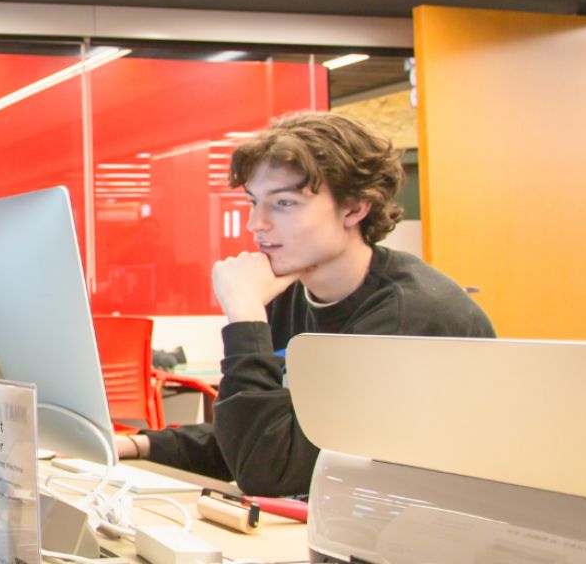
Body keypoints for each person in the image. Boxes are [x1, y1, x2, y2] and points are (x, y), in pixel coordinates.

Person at [116, 112, 495, 497]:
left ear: (354, 208)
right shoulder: (291, 295)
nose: (255, 224)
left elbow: (271, 469)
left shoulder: (409, 315)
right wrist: (137, 445)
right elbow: (261, 433)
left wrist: (245, 315)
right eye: (253, 202)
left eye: (283, 203)